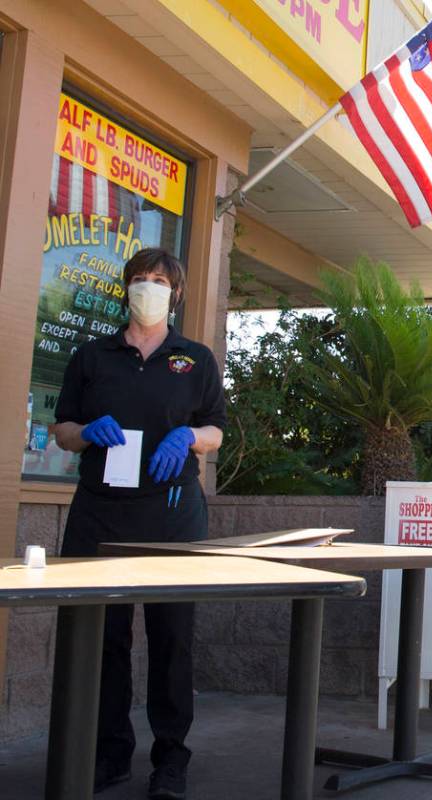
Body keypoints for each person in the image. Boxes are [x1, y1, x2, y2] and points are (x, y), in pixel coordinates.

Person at [52, 248, 225, 800]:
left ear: (175, 293)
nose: (147, 288)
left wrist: (189, 437)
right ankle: (109, 753)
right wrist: (85, 432)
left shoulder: (194, 359)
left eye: (159, 280)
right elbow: (62, 430)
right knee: (104, 639)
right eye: (139, 280)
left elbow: (217, 429)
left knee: (172, 639)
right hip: (100, 512)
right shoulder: (92, 356)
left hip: (172, 515)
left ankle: (170, 761)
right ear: (125, 288)